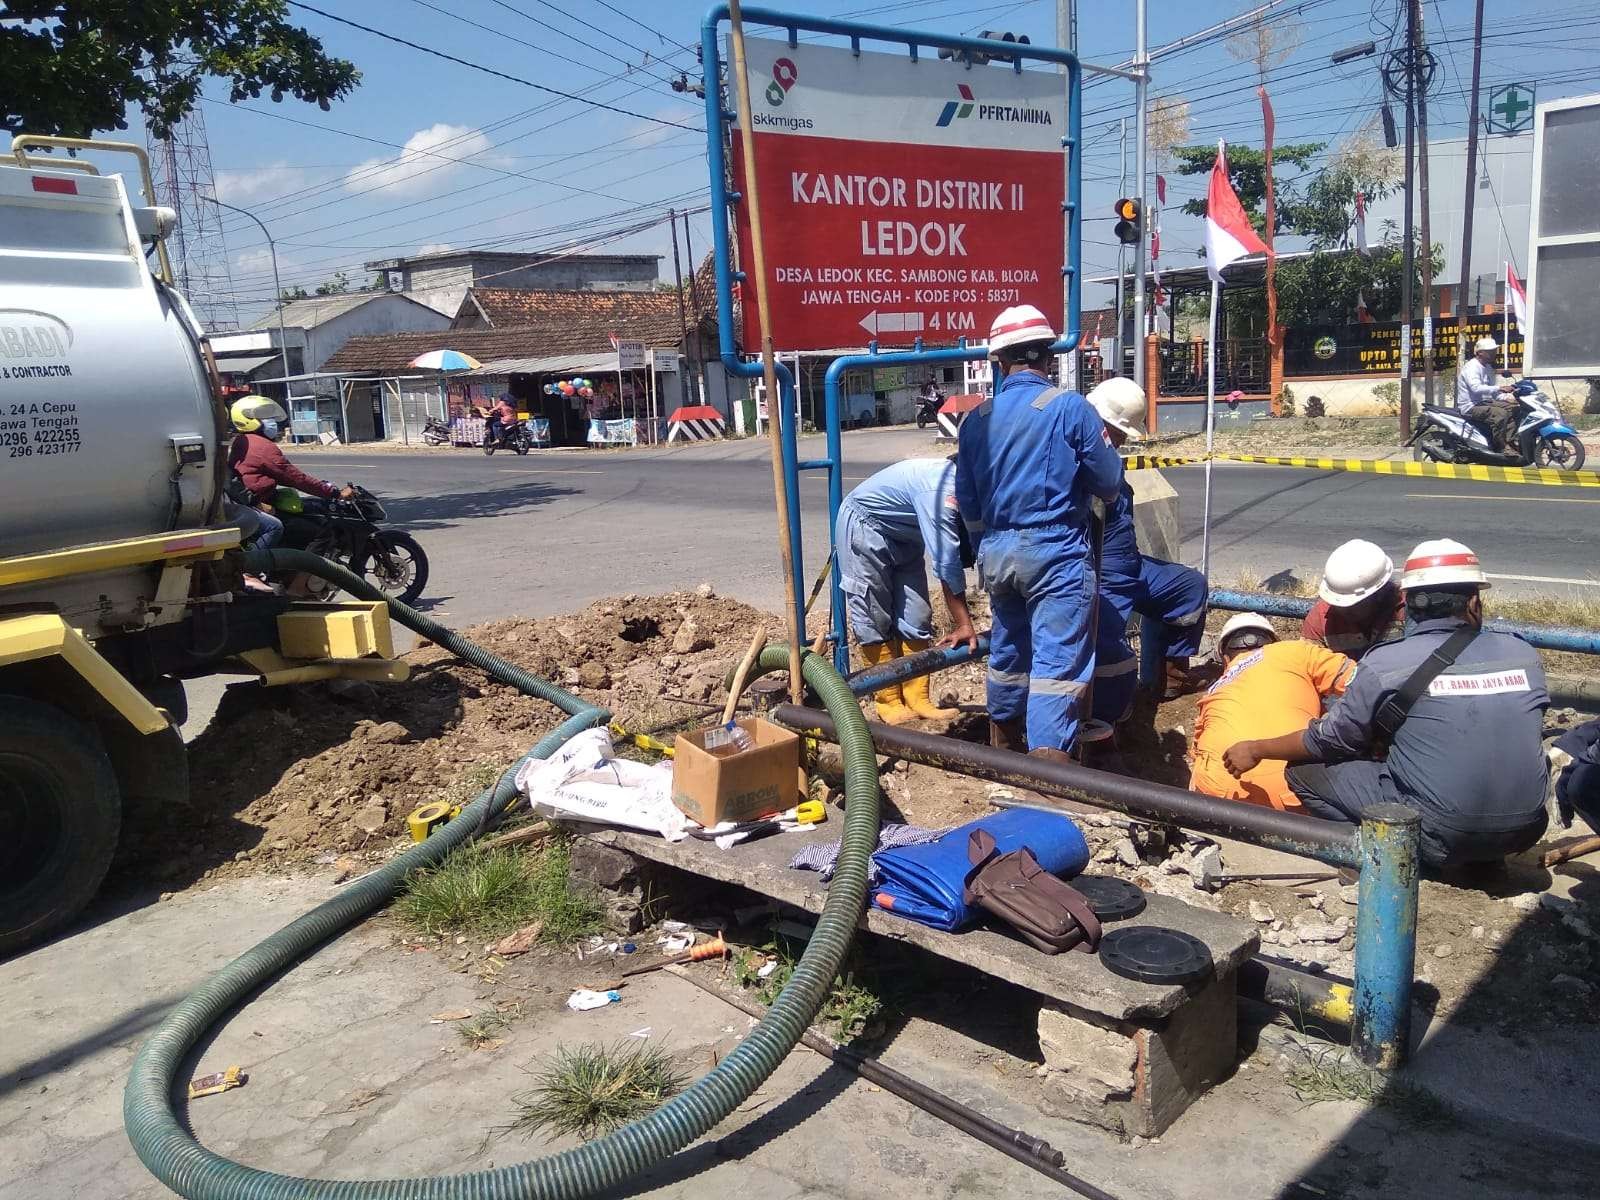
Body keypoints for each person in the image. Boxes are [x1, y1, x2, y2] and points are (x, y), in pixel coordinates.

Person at [1222, 539, 1549, 868]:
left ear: (1407, 601)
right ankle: (1485, 862)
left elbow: (1330, 740)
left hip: (1439, 835)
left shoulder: (1386, 663)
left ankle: (1371, 860)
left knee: (1304, 771)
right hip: (1527, 830)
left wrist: (1256, 749)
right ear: (1474, 602)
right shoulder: (1525, 656)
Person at [955, 305, 1122, 760]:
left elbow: (967, 504)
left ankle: (1004, 747)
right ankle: (1047, 773)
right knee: (1057, 664)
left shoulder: (975, 420)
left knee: (1009, 650)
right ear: (1048, 357)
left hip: (997, 554)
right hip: (1055, 553)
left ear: (999, 361)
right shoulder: (1069, 408)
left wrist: (984, 548)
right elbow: (1108, 483)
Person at [1084, 377, 1214, 699]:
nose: (1119, 440)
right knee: (1107, 650)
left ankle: (1170, 679)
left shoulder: (1106, 456)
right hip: (1104, 577)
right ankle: (1108, 719)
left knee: (1189, 587)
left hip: (1132, 567)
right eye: (1118, 432)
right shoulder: (1077, 456)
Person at [836, 457, 976, 724]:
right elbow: (947, 563)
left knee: (916, 613)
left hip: (905, 534)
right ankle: (888, 701)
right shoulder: (941, 494)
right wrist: (963, 623)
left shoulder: (970, 484)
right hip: (866, 525)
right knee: (873, 614)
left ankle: (917, 698)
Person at [1190, 613, 1356, 811]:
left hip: (1217, 796)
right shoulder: (1295, 651)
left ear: (1225, 657)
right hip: (1292, 791)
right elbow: (1363, 681)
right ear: (1273, 641)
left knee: (1198, 775)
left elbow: (1196, 750)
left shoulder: (1213, 691)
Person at [1300, 539, 1406, 661]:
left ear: (1379, 594)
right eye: (1338, 602)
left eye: (1354, 604)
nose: (1343, 609)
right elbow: (1307, 665)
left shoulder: (1407, 610)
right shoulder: (1320, 618)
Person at [1456, 336, 1518, 450]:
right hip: (1470, 406)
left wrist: (1506, 397)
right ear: (1480, 353)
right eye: (1490, 351)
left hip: (1484, 403)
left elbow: (1494, 392)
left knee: (1515, 408)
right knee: (1501, 414)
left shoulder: (1488, 367)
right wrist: (1500, 387)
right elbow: (1476, 388)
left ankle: (1510, 440)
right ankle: (1501, 444)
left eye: (1494, 350)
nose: (1494, 353)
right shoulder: (1472, 367)